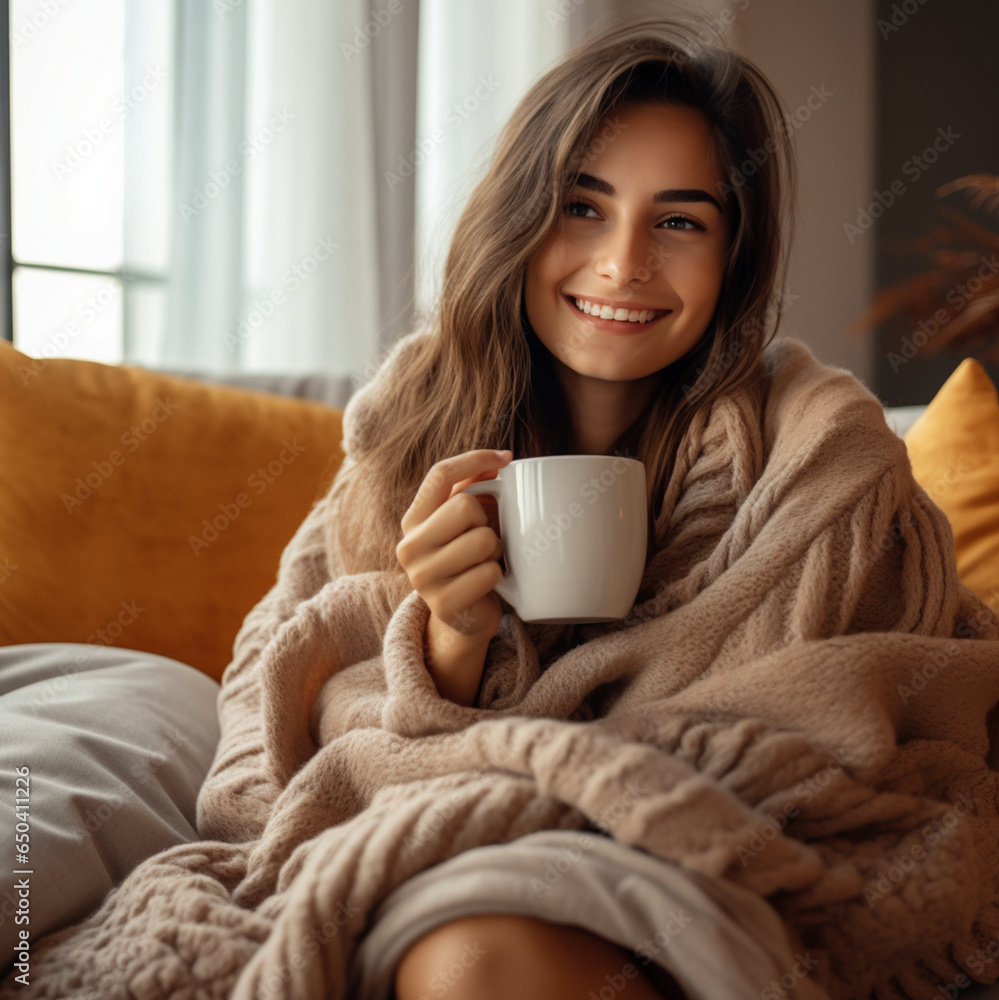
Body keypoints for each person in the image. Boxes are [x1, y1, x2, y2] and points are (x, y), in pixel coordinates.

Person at [317, 12, 797, 1000]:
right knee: (468, 955)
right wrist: (452, 634)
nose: (623, 263)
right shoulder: (403, 437)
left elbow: (864, 699)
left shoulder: (804, 446)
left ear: (733, 258)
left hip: (689, 848)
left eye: (679, 222)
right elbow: (307, 696)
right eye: (582, 207)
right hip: (462, 846)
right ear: (519, 219)